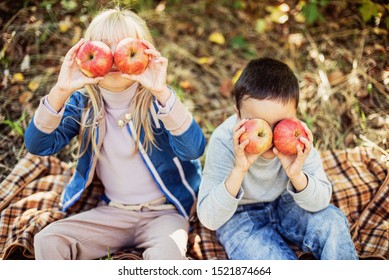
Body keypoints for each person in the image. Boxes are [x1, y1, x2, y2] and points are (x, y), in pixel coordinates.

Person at [24, 7, 206, 260]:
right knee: (49, 240)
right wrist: (60, 90)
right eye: (104, 48)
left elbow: (194, 149)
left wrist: (163, 92)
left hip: (164, 213)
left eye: (124, 46)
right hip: (114, 212)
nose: (113, 56)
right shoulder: (82, 104)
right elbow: (38, 145)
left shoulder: (157, 101)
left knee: (168, 259)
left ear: (145, 53)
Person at [197, 57, 358, 260]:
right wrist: (238, 170)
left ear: (295, 114)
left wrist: (297, 175)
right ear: (237, 114)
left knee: (332, 222)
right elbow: (210, 219)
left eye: (281, 123)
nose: (272, 135)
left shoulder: (297, 139)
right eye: (260, 123)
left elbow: (321, 202)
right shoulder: (224, 141)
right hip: (239, 216)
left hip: (287, 202)